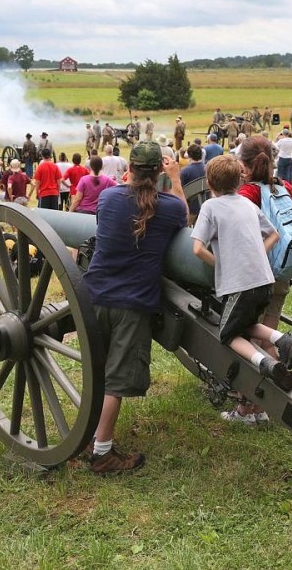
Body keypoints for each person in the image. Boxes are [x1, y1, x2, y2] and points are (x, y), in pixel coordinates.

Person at [83, 141, 188, 473]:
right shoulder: (170, 206)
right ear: (158, 170)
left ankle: (88, 436)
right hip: (133, 302)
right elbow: (185, 223)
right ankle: (101, 453)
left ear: (130, 168)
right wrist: (176, 178)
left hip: (94, 293)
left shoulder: (108, 197)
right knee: (116, 380)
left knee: (98, 370)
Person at [192, 154, 292, 410]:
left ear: (209, 183)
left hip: (240, 284)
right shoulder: (247, 204)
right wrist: (256, 254)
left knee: (227, 334)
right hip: (265, 281)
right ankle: (283, 339)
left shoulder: (210, 207)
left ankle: (265, 363)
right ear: (239, 181)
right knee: (247, 323)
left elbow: (197, 249)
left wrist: (223, 263)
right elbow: (274, 234)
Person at [179, 143, 206, 224]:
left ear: (189, 155)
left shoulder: (185, 172)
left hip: (190, 210)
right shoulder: (208, 168)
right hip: (205, 207)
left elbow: (180, 191)